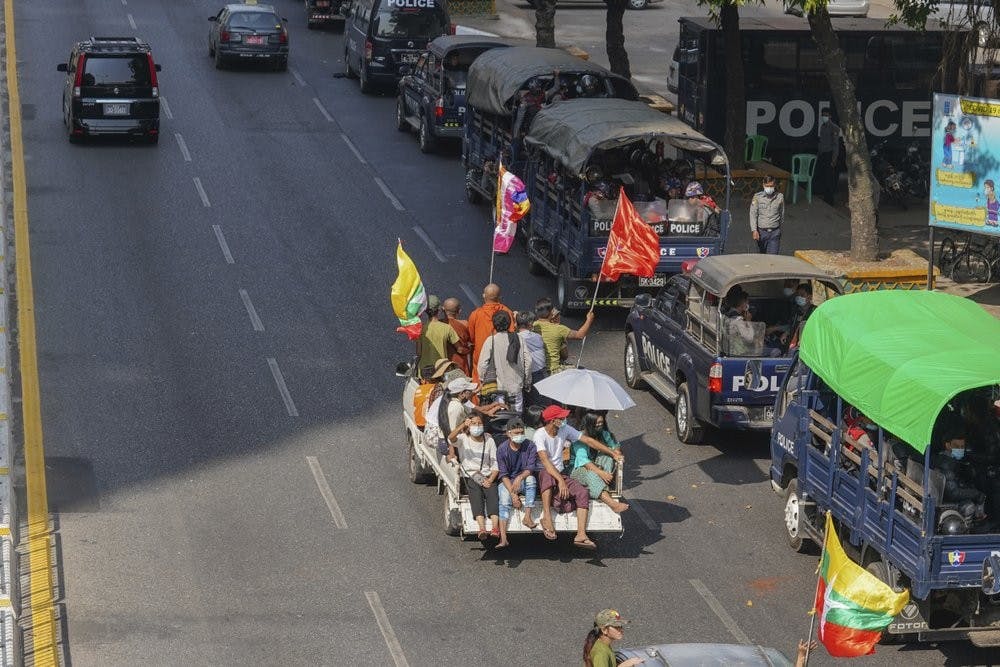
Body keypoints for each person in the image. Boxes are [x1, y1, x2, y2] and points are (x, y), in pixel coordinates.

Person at [534, 404, 607, 549]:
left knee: (582, 492)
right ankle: (547, 517)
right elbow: (546, 463)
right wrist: (561, 481)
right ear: (552, 420)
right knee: (547, 475)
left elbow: (587, 440)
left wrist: (612, 452)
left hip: (559, 473)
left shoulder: (564, 429)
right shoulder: (539, 435)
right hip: (543, 473)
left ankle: (581, 535)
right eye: (561, 417)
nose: (564, 419)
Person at [447, 413, 500, 541]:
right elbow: (451, 438)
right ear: (469, 426)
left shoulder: (489, 440)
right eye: (474, 423)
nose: (477, 426)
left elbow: (495, 464)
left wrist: (490, 479)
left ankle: (495, 528)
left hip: (487, 475)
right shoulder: (463, 439)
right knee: (476, 496)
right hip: (471, 475)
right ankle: (481, 528)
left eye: (479, 423)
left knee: (492, 495)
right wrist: (462, 426)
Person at [570, 413, 629, 513]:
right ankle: (612, 504)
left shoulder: (604, 434)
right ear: (590, 424)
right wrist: (601, 473)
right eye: (597, 424)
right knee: (592, 475)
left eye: (601, 423)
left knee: (608, 454)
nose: (599, 426)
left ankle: (602, 482)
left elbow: (615, 446)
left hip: (598, 466)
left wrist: (617, 452)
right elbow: (583, 460)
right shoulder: (580, 437)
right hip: (578, 470)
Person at [495, 417, 538, 548]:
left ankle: (528, 516)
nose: (519, 436)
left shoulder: (530, 445)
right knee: (504, 501)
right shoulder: (502, 449)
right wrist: (513, 494)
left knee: (531, 479)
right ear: (508, 434)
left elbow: (530, 468)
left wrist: (520, 478)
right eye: (516, 433)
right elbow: (503, 474)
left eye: (521, 433)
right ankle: (503, 538)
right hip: (508, 482)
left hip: (523, 479)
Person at [477, 311, 532, 413]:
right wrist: (527, 381)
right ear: (510, 323)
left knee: (500, 417)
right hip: (516, 388)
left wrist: (482, 379)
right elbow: (528, 361)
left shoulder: (491, 340)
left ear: (494, 324)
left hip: (498, 390)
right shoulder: (519, 338)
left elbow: (482, 365)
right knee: (516, 418)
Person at [467, 284, 515, 384]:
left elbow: (471, 338)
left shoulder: (476, 314)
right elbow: (512, 334)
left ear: (484, 296)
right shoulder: (507, 312)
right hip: (502, 356)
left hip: (481, 356)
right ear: (500, 297)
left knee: (479, 385)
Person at [533, 297, 594, 373]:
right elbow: (580, 335)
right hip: (553, 370)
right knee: (582, 371)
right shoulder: (559, 329)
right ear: (551, 312)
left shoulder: (532, 326)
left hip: (537, 369)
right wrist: (589, 320)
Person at [417, 295, 461, 375]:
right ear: (439, 310)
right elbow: (459, 349)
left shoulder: (420, 329)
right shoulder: (447, 328)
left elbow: (419, 352)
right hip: (441, 370)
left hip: (424, 372)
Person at [749, 175, 784, 255]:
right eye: (767, 186)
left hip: (774, 233)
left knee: (773, 258)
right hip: (761, 233)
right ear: (763, 185)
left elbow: (782, 214)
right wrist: (754, 230)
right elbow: (753, 214)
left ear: (774, 185)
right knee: (761, 258)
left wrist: (779, 229)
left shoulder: (780, 197)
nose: (769, 188)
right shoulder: (757, 197)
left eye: (771, 186)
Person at [816, 108, 841, 204]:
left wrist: (834, 158)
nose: (824, 117)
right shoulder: (823, 126)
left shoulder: (834, 128)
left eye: (826, 115)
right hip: (822, 154)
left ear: (830, 116)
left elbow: (835, 145)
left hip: (829, 154)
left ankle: (830, 200)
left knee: (829, 177)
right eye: (823, 115)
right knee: (823, 176)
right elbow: (821, 141)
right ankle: (825, 197)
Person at [441, 297, 472, 375]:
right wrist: (469, 350)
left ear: (442, 309)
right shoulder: (465, 324)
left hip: (442, 366)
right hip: (460, 365)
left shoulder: (439, 325)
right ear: (459, 311)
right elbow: (470, 342)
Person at [786, 283, 816, 350]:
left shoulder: (815, 312)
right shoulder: (796, 311)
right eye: (798, 295)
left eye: (802, 295)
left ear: (810, 297)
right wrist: (786, 332)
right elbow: (792, 326)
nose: (799, 297)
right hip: (793, 346)